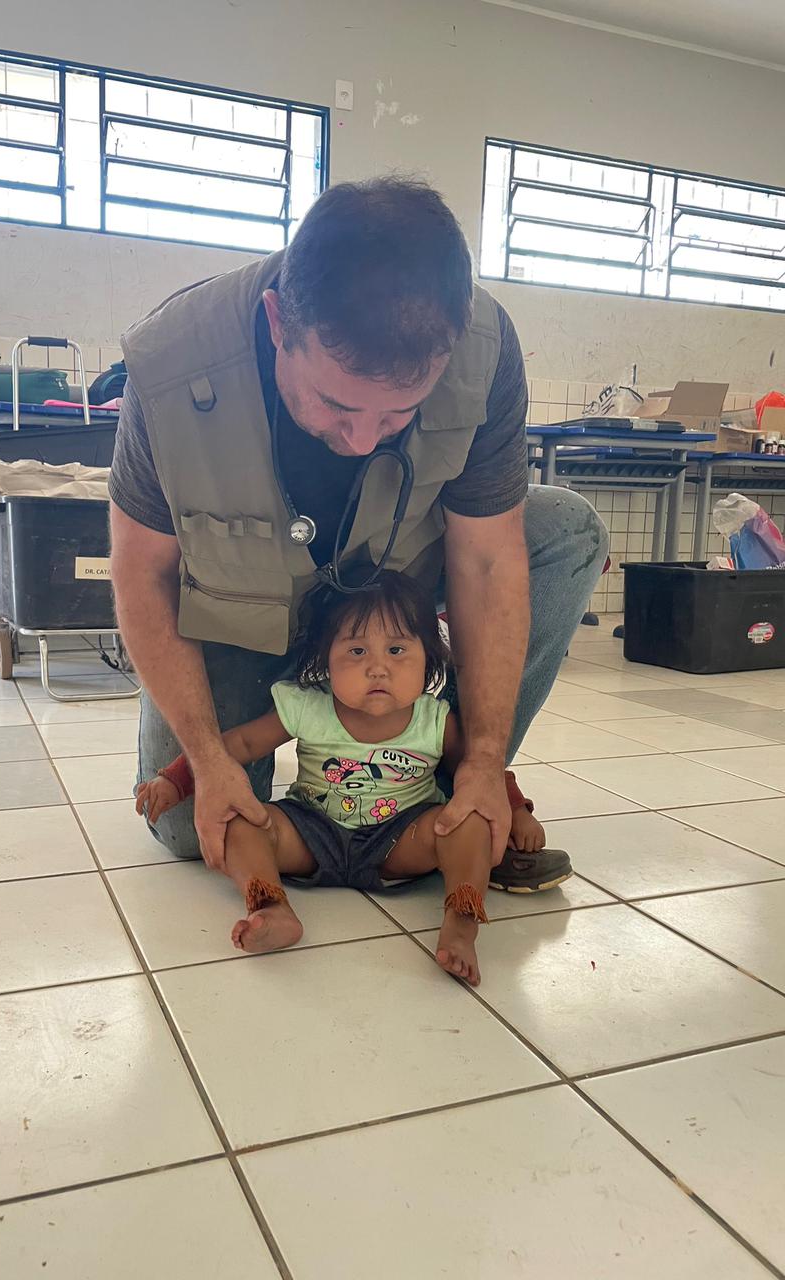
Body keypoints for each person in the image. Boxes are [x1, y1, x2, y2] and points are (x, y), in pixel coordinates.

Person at [110, 176, 608, 891]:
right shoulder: (171, 360)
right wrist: (209, 760)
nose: (361, 439)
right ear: (278, 323)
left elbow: (487, 561)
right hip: (235, 609)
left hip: (388, 597)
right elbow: (141, 574)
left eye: (398, 414)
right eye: (336, 404)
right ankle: (206, 723)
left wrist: (484, 757)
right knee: (193, 827)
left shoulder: (484, 347)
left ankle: (453, 792)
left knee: (567, 530)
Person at [138, 573, 555, 984]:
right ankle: (270, 907)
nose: (378, 668)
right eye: (356, 651)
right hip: (310, 830)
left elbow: (480, 773)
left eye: (397, 649)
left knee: (471, 822)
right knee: (240, 820)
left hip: (403, 838)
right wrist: (176, 779)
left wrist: (517, 811)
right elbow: (238, 745)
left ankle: (461, 924)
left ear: (428, 658)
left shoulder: (435, 720)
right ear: (326, 660)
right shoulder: (307, 706)